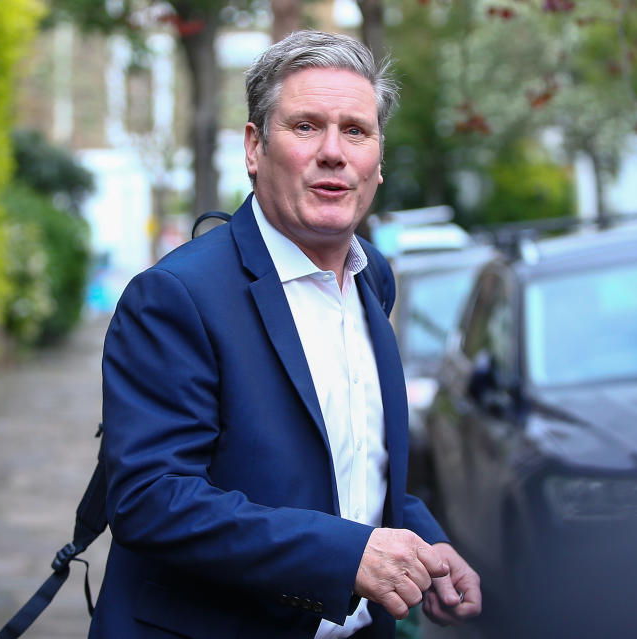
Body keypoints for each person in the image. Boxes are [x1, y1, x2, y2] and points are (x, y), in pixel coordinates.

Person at [91, 30, 482, 639]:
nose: (334, 152)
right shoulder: (175, 296)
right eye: (305, 127)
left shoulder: (373, 276)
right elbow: (151, 499)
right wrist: (345, 555)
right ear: (254, 147)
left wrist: (426, 544)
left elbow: (355, 467)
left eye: (356, 130)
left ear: (378, 159)